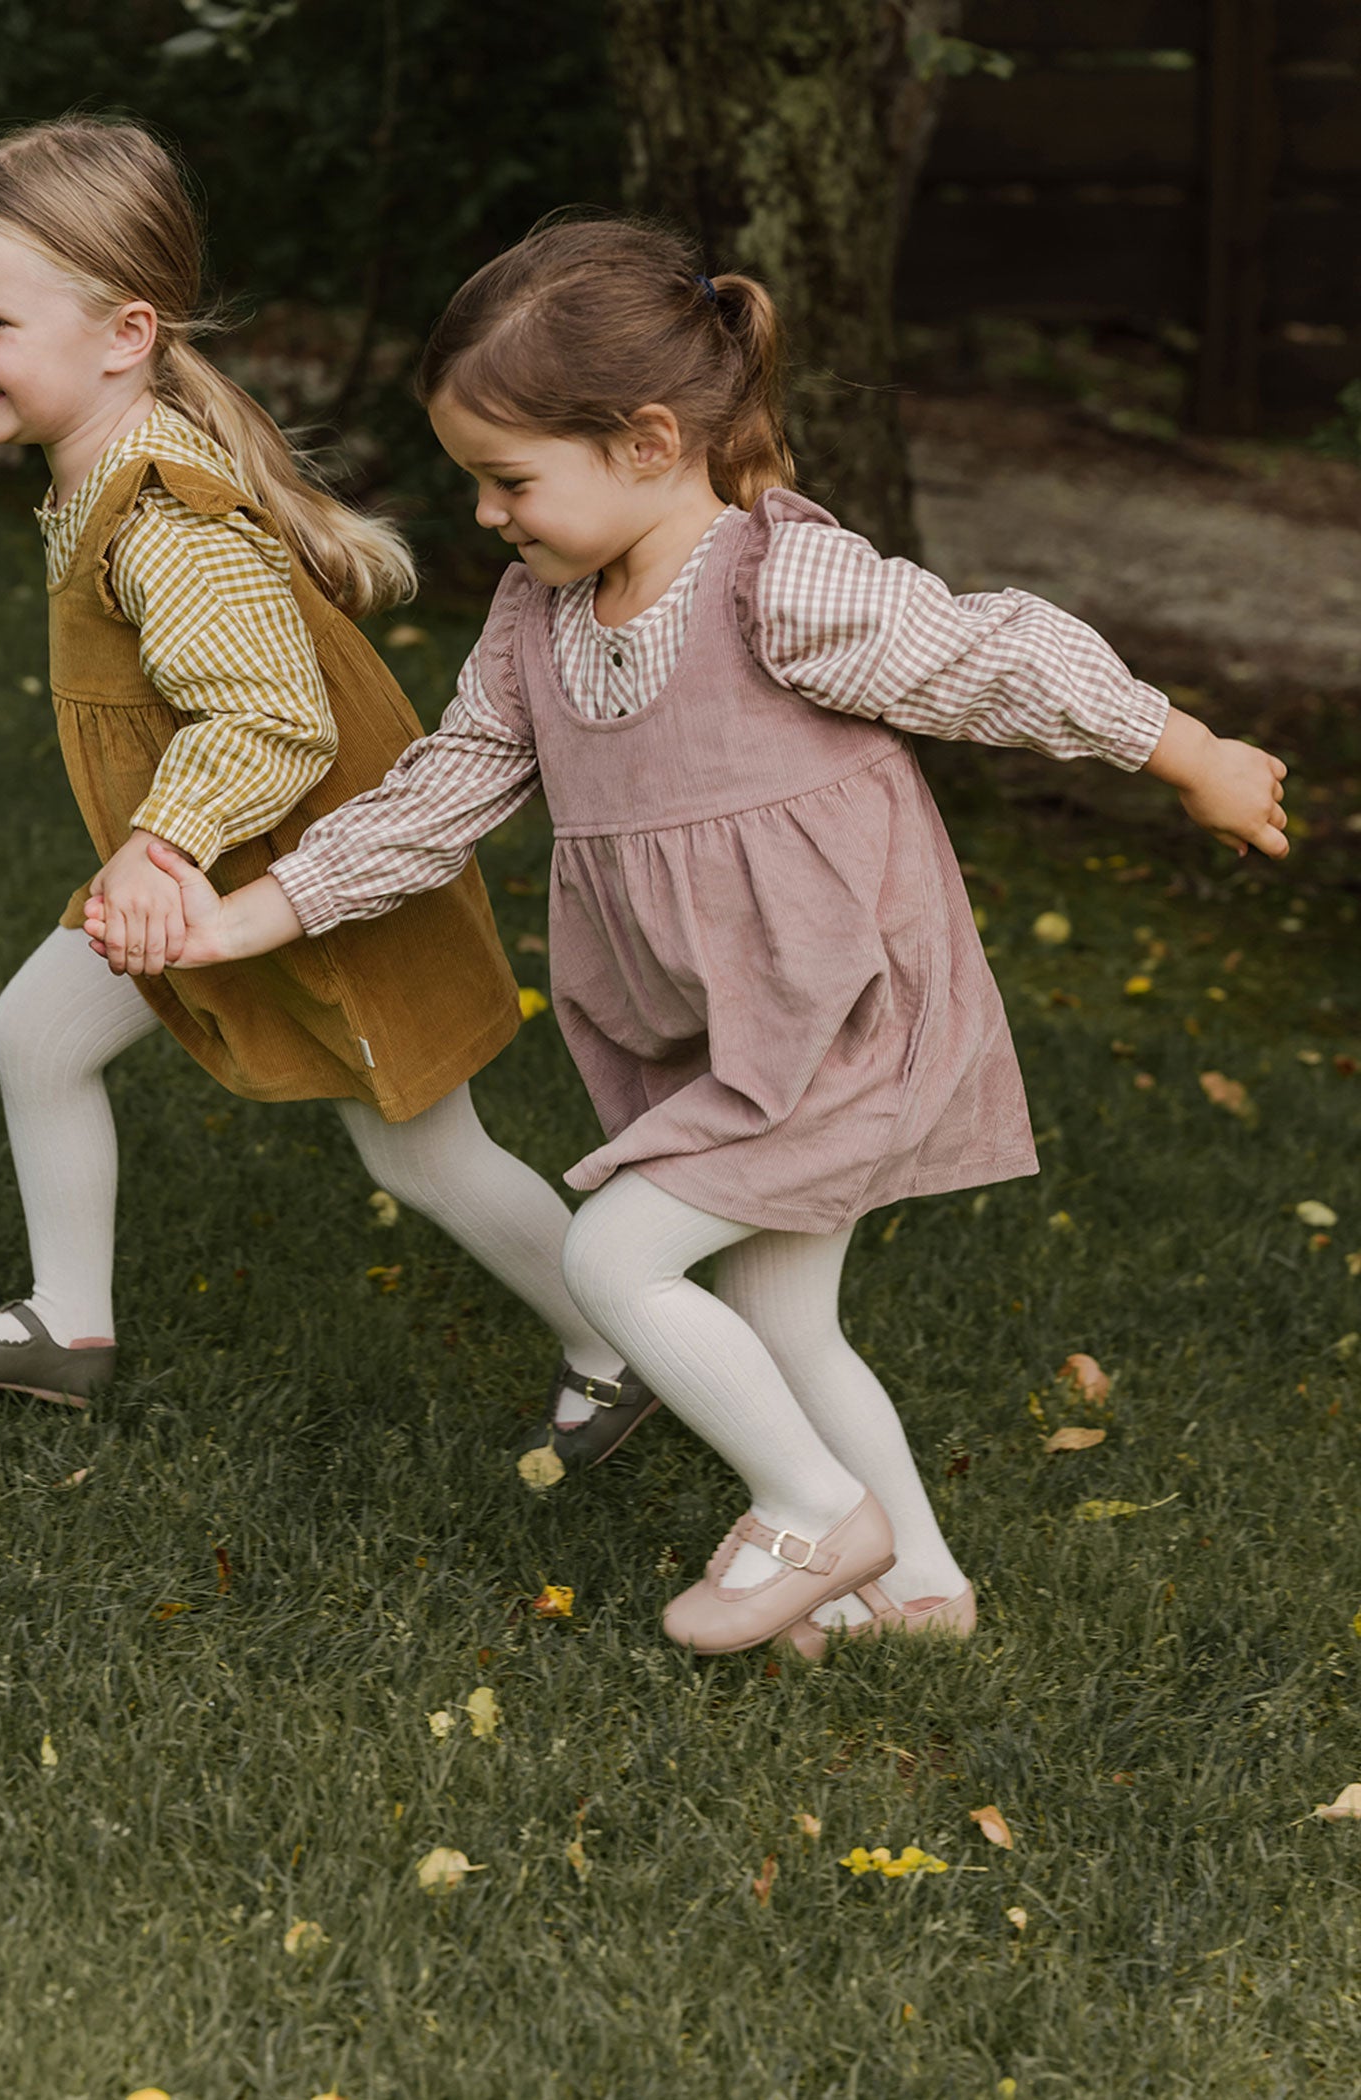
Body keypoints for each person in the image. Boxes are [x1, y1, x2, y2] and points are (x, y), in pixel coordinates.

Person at [88, 219, 1290, 1658]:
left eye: (510, 479)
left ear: (651, 440)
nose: (487, 516)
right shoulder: (541, 618)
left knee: (617, 1258)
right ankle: (916, 1592)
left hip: (843, 1007)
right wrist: (245, 913)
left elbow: (996, 654)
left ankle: (809, 1511)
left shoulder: (779, 582)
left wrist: (1192, 750)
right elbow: (442, 794)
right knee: (784, 1319)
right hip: (733, 1031)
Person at [0, 122, 643, 1447]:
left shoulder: (162, 514)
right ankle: (68, 1321)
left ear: (123, 333)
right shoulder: (105, 461)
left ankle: (624, 1333)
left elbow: (272, 719)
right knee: (37, 1037)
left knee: (423, 1154)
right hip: (204, 866)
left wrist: (158, 844)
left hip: (318, 878)